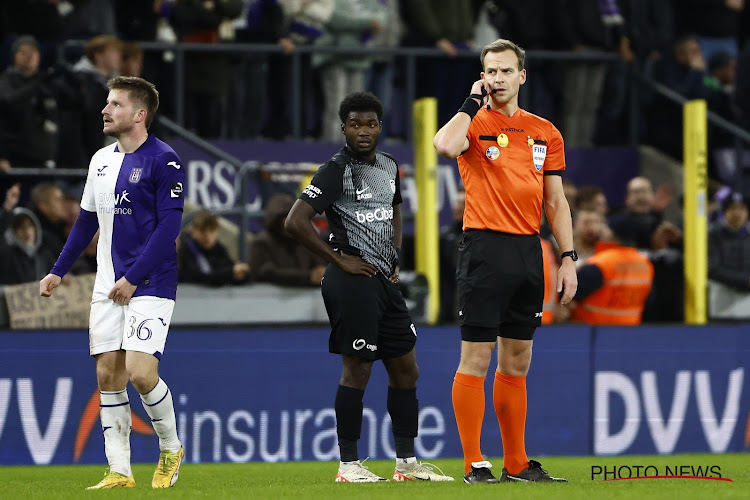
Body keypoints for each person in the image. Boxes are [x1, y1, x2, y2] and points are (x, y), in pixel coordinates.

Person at [285, 91, 454, 483]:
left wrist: (393, 254)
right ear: (343, 128)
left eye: (371, 124)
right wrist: (339, 258)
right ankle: (348, 465)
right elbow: (295, 221)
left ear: (380, 127)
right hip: (350, 279)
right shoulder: (334, 170)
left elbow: (394, 208)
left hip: (382, 279)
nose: (364, 131)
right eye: (356, 124)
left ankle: (407, 465)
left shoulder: (391, 167)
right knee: (358, 368)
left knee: (406, 368)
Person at [433, 38, 577, 483]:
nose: (497, 79)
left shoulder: (545, 131)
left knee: (518, 360)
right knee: (476, 358)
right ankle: (475, 462)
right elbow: (444, 146)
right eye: (490, 71)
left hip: (528, 250)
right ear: (482, 75)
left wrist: (568, 257)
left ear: (521, 76)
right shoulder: (473, 122)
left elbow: (555, 200)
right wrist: (469, 103)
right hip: (484, 249)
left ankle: (516, 463)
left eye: (504, 71)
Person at [38, 76, 185, 490]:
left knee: (140, 373)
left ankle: (171, 448)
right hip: (108, 284)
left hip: (151, 281)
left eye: (116, 104)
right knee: (107, 376)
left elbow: (169, 226)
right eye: (107, 102)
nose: (106, 110)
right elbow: (86, 221)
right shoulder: (100, 160)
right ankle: (120, 471)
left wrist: (133, 277)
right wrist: (59, 270)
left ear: (140, 114)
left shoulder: (164, 159)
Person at [249, 193, 326, 286]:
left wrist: (321, 273)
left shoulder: (306, 241)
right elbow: (264, 273)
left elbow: (320, 266)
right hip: (269, 297)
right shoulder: (262, 243)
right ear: (275, 220)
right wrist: (308, 277)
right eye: (285, 217)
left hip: (306, 296)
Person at [179, 210, 250, 285]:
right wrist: (230, 272)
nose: (207, 236)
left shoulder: (218, 248)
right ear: (193, 231)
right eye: (203, 231)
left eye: (211, 231)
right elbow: (200, 277)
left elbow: (228, 268)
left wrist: (240, 275)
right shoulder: (185, 248)